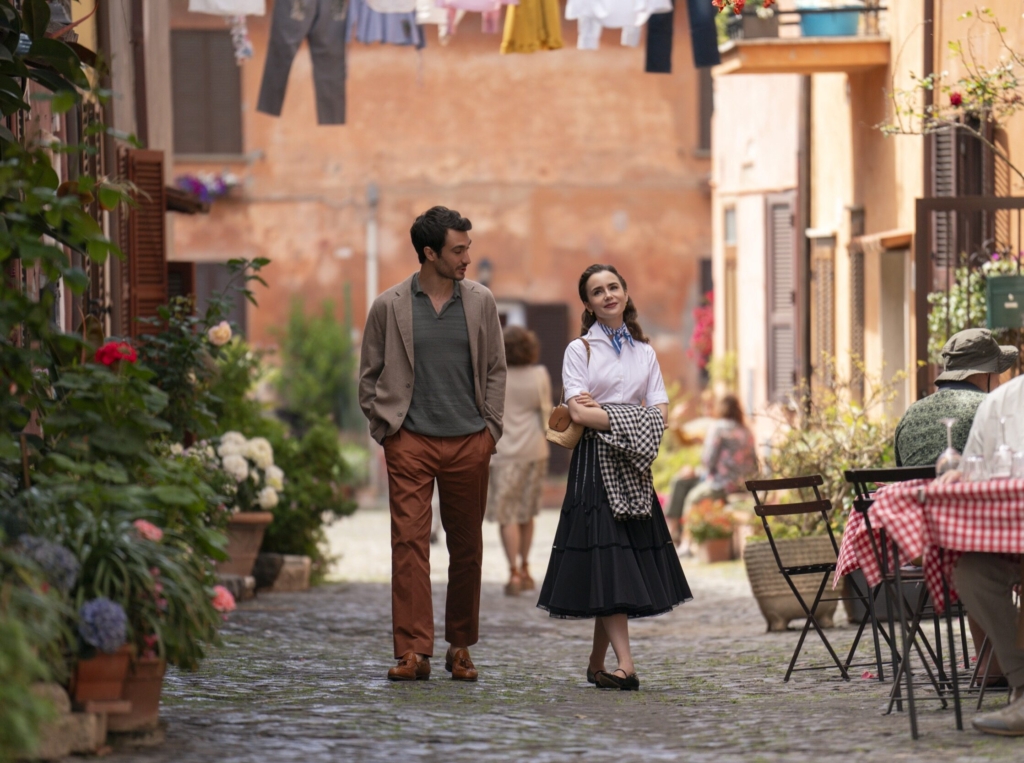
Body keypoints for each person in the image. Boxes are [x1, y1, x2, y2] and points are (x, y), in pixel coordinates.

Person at [358, 206, 506, 683]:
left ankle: (459, 646)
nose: (467, 258)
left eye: (467, 247)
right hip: (411, 441)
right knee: (408, 544)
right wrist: (387, 432)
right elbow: (369, 376)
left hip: (470, 441)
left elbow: (496, 371)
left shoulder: (480, 301)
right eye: (458, 250)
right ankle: (413, 652)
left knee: (466, 547)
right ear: (429, 253)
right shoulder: (389, 305)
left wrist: (491, 431)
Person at [537, 264, 692, 691]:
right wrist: (631, 416)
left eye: (613, 287)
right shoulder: (578, 350)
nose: (608, 295)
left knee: (619, 559)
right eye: (597, 291)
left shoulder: (645, 352)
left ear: (625, 293)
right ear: (587, 303)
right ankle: (627, 665)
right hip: (593, 467)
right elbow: (578, 411)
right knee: (612, 558)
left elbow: (660, 413)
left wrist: (607, 414)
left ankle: (596, 662)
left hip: (633, 465)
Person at [945, 371, 1024, 735]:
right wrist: (958, 477)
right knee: (973, 570)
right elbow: (973, 474)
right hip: (1011, 537)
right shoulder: (1000, 402)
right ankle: (1023, 689)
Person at [485, 326, 551, 597]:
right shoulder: (539, 375)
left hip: (503, 453)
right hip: (535, 450)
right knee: (527, 512)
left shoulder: (496, 377)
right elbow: (546, 413)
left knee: (507, 514)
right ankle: (525, 568)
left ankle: (512, 571)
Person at [894, 328, 1015, 467]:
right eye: (998, 372)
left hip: (916, 489)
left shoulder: (909, 415)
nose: (999, 382)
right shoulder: (991, 408)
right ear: (986, 373)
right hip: (972, 488)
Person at [665, 394, 758, 548]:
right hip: (743, 484)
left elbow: (708, 460)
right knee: (681, 482)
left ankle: (685, 543)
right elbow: (755, 463)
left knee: (692, 496)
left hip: (721, 484)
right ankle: (674, 535)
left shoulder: (718, 427)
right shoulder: (746, 431)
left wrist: (697, 471)